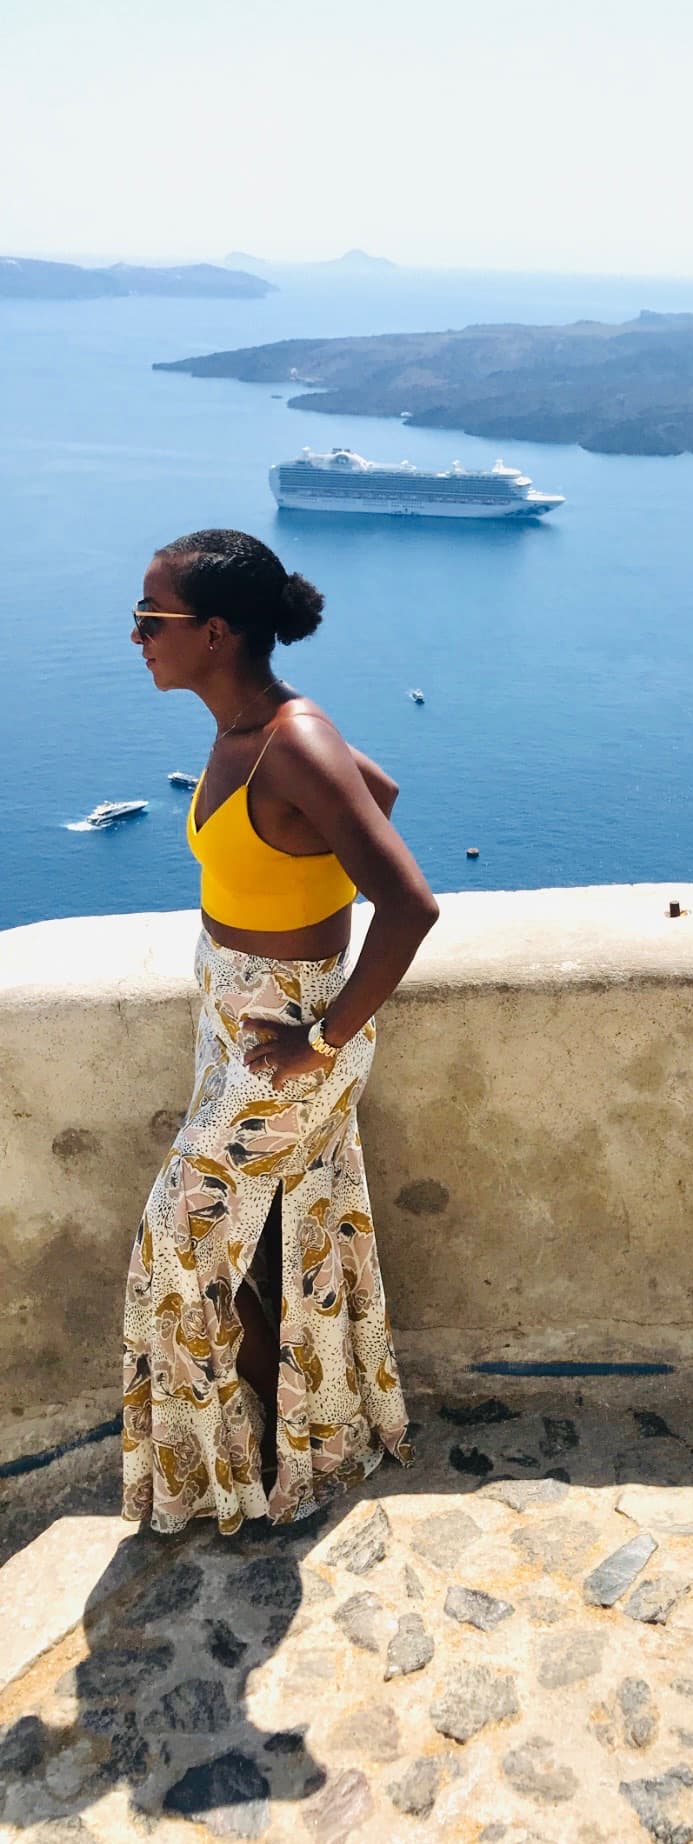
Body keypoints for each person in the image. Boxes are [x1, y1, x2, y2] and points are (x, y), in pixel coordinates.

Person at [121, 528, 439, 1535]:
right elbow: (374, 792)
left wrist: (324, 1038)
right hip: (234, 1020)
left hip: (285, 1040)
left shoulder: (291, 741)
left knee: (180, 1249)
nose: (136, 637)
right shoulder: (249, 736)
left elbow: (411, 905)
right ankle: (300, 1444)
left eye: (152, 619)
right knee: (278, 1244)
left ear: (215, 632)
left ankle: (260, 1454)